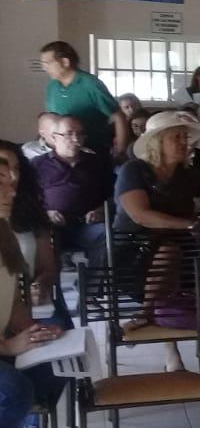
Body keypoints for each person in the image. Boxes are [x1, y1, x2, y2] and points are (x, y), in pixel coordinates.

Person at [115, 112, 200, 371]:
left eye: (185, 137)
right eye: (177, 137)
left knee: (173, 252)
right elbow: (140, 216)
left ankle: (159, 333)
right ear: (157, 142)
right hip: (131, 252)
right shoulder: (134, 170)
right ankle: (153, 323)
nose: (185, 143)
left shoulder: (189, 174)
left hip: (179, 255)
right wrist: (187, 224)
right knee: (170, 251)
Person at [0, 217, 66, 428]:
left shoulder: (5, 234)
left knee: (60, 363)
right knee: (14, 391)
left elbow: (15, 298)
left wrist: (34, 331)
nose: (9, 197)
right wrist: (7, 346)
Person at [32, 116, 113, 265]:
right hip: (52, 226)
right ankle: (51, 279)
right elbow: (28, 198)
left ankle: (95, 279)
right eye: (68, 134)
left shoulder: (97, 162)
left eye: (80, 134)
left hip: (87, 225)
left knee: (105, 235)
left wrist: (102, 210)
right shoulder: (38, 164)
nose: (76, 139)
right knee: (40, 238)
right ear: (54, 138)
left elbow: (113, 195)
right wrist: (46, 213)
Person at [40, 41, 127, 159]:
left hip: (93, 152)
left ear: (65, 62)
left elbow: (118, 116)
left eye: (47, 63)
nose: (44, 68)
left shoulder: (90, 84)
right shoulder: (52, 86)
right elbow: (51, 119)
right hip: (61, 153)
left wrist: (120, 151)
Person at [0, 142, 59, 314]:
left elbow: (48, 268)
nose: (13, 177)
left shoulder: (30, 211)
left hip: (31, 304)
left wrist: (40, 284)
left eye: (16, 168)